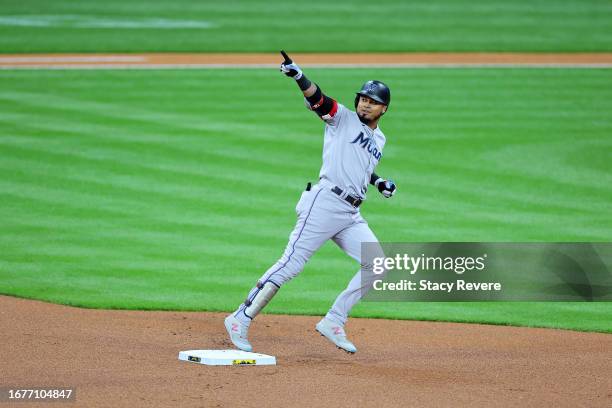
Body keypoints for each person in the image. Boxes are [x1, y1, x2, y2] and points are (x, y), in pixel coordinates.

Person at [224, 51, 396, 354]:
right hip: (325, 203)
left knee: (379, 264)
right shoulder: (341, 117)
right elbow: (319, 100)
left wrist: (379, 181)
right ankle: (240, 317)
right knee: (290, 264)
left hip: (351, 213)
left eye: (372, 101)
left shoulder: (379, 139)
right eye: (362, 99)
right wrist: (299, 76)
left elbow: (361, 166)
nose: (365, 104)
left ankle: (334, 320)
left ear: (384, 108)